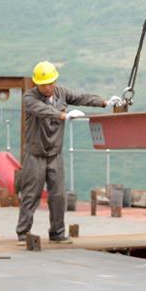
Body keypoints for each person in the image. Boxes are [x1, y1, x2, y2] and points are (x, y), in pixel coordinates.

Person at [17, 61, 120, 245]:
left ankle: (57, 233)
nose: (49, 87)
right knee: (31, 194)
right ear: (36, 84)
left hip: (55, 154)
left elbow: (82, 98)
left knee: (58, 195)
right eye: (44, 84)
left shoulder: (61, 93)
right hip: (35, 155)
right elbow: (43, 111)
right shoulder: (29, 98)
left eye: (51, 82)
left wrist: (104, 102)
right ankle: (23, 233)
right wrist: (64, 115)